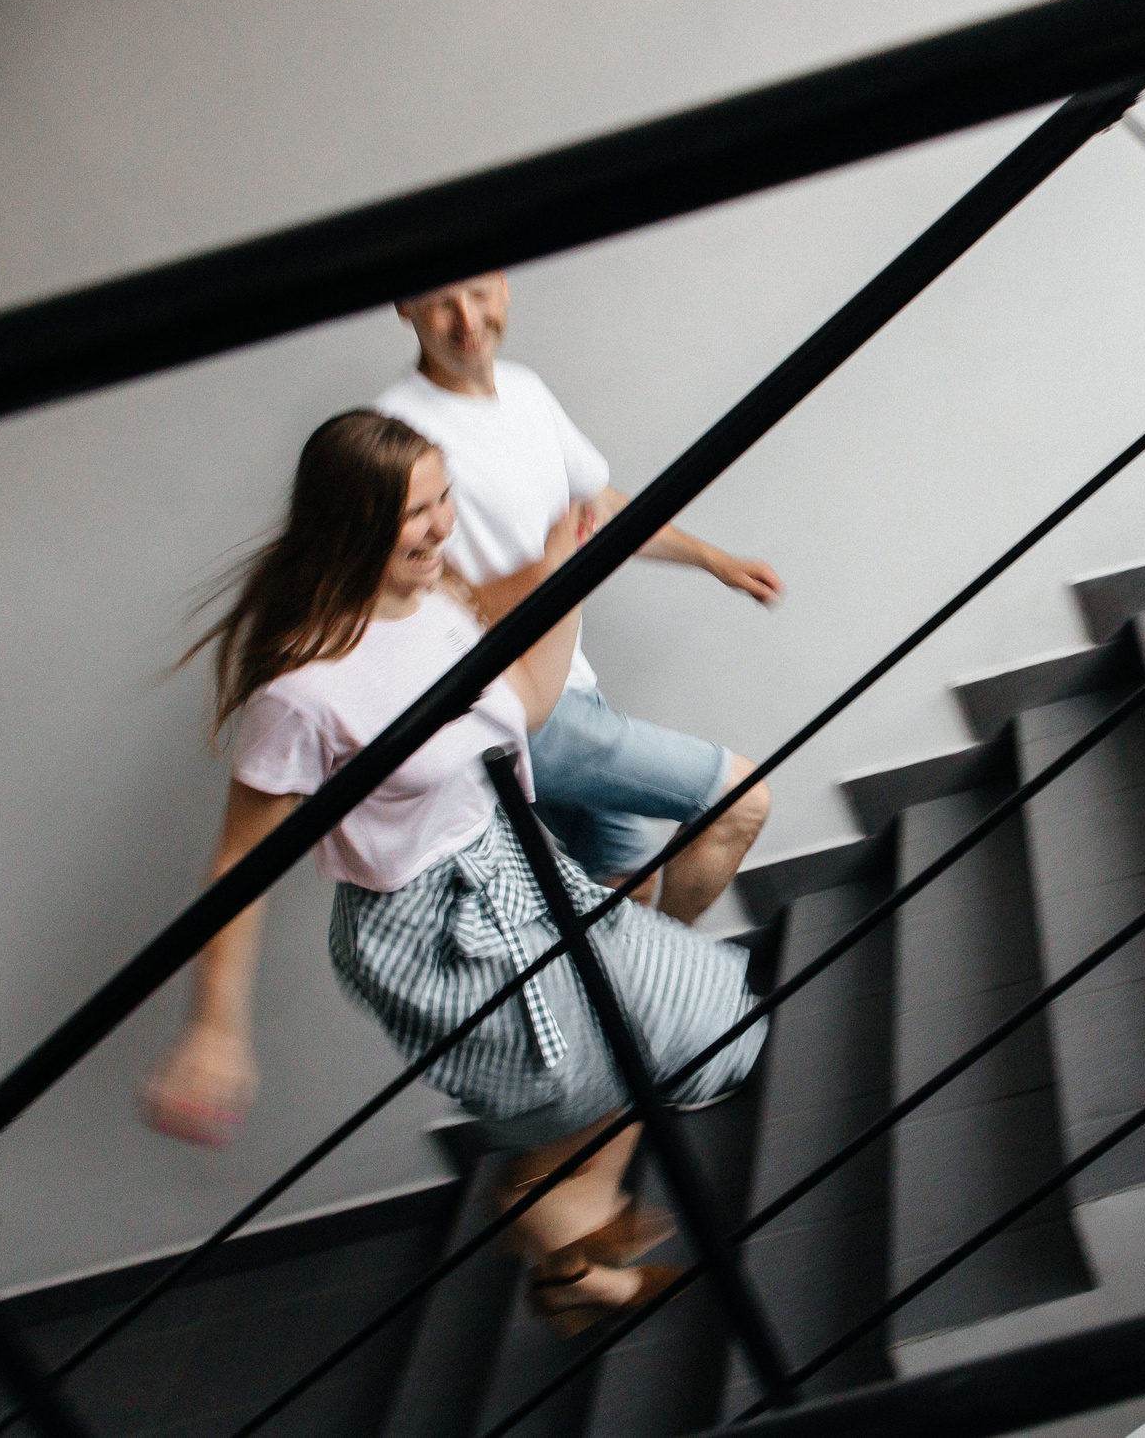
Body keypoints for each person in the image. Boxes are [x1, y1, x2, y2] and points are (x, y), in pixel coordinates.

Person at [144, 411, 764, 1333]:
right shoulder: (302, 689)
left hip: (513, 865)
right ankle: (560, 1231)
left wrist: (568, 566)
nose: (442, 525)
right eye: (415, 513)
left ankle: (555, 1219)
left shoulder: (441, 599)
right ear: (352, 525)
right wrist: (215, 1029)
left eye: (444, 499)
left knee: (688, 1017)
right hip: (429, 932)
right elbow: (239, 862)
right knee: (639, 1042)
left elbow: (527, 705)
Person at [372, 271, 779, 921]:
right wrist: (553, 569)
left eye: (478, 293)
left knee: (624, 880)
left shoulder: (525, 390)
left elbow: (597, 506)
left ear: (504, 285)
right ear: (404, 306)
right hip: (512, 702)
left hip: (570, 682)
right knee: (740, 799)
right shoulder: (395, 432)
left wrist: (714, 561)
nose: (467, 320)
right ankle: (677, 974)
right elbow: (413, 599)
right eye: (442, 301)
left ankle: (635, 981)